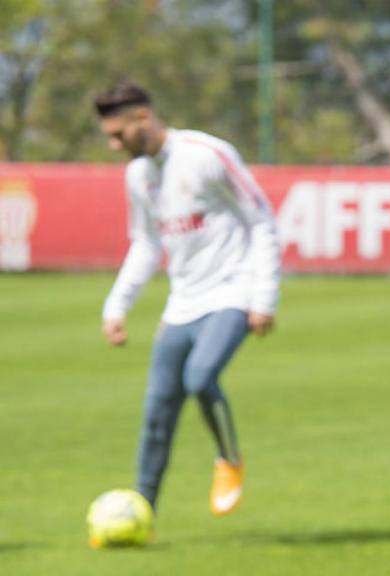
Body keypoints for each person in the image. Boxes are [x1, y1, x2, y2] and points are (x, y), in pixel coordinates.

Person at [93, 80, 280, 516]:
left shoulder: (207, 154)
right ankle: (141, 513)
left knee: (199, 377)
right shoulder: (138, 174)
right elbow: (144, 243)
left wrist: (263, 298)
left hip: (234, 291)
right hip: (182, 303)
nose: (112, 143)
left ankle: (229, 458)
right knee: (157, 411)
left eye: (117, 133)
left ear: (142, 117)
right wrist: (117, 307)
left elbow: (262, 220)